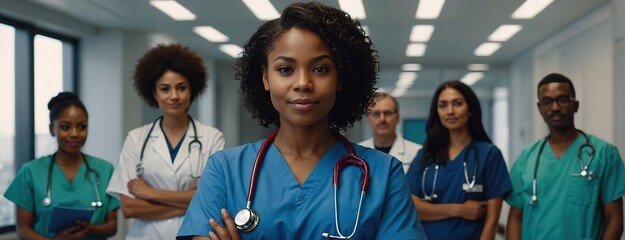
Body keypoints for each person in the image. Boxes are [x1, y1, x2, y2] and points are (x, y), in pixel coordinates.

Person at [176, 2, 426, 239]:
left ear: (340, 79)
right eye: (286, 69)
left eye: (320, 69)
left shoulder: (383, 173)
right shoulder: (225, 169)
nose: (303, 83)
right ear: (265, 78)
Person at [106, 43, 225, 240]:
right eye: (164, 89)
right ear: (154, 93)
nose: (174, 96)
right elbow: (129, 207)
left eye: (181, 88)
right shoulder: (137, 139)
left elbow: (212, 200)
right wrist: (189, 200)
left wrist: (149, 193)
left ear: (191, 90)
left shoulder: (212, 137)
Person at [505, 73, 624, 239]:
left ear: (575, 105)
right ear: (540, 109)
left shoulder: (604, 154)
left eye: (562, 99)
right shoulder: (527, 158)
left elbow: (615, 219)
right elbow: (516, 217)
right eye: (547, 102)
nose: (555, 107)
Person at [405, 80, 511, 240]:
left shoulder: (489, 154)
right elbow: (411, 207)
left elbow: (492, 221)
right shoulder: (426, 155)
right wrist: (459, 210)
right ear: (437, 112)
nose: (450, 111)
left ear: (470, 110)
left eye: (457, 103)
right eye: (443, 105)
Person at [4, 92, 119, 239]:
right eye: (65, 127)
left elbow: (112, 226)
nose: (75, 134)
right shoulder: (31, 172)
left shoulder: (105, 170)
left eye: (82, 127)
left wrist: (90, 229)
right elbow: (22, 230)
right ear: (52, 129)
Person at [359, 92, 422, 173]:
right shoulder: (357, 153)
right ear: (368, 119)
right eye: (376, 114)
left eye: (388, 113)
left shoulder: (417, 153)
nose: (382, 119)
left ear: (398, 118)